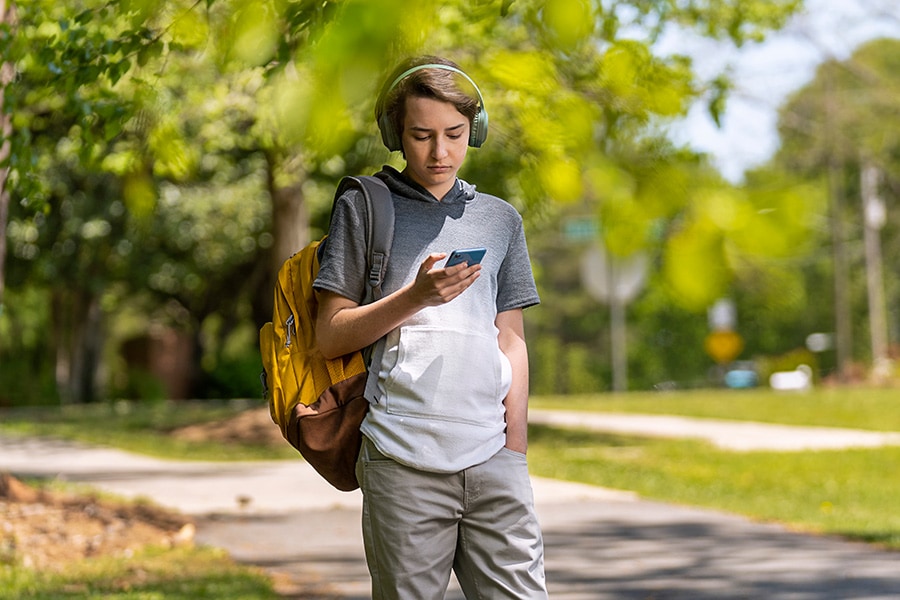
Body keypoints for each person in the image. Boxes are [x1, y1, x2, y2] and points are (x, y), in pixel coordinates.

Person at [313, 55, 548, 599]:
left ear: (476, 131)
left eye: (454, 134)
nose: (439, 152)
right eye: (421, 135)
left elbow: (510, 340)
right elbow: (331, 335)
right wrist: (415, 297)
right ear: (396, 133)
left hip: (494, 460)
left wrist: (514, 449)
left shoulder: (501, 219)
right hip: (401, 460)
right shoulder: (363, 206)